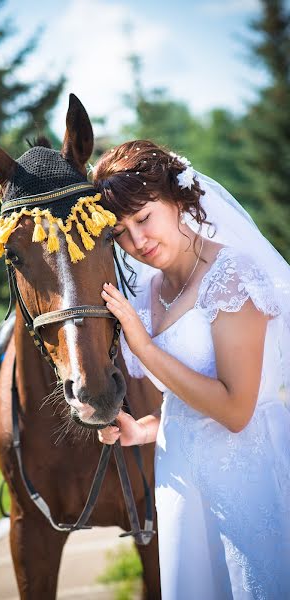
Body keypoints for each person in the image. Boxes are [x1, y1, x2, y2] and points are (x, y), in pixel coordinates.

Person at [92, 140, 290, 600]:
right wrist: (146, 430)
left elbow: (237, 410)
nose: (137, 242)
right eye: (120, 232)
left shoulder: (232, 275)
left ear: (178, 199)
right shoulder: (149, 291)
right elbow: (189, 404)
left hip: (246, 475)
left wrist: (142, 344)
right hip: (181, 476)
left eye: (144, 218)